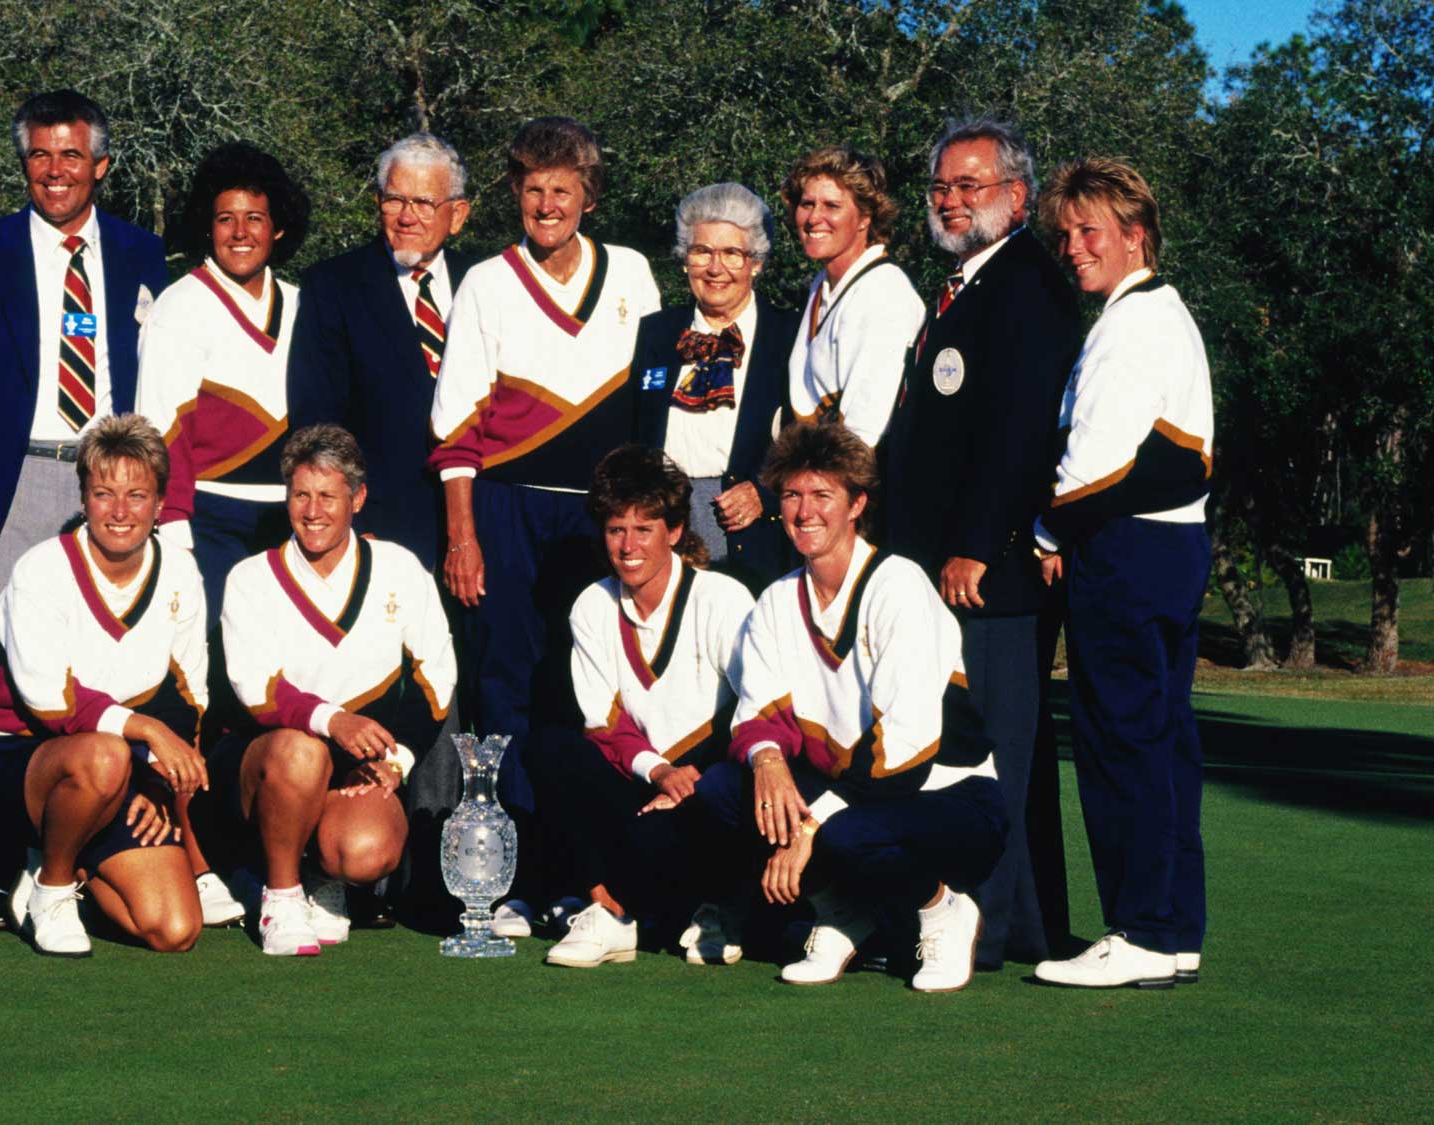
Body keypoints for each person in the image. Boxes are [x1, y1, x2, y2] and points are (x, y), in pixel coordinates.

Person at [0, 91, 170, 927]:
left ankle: (71, 843)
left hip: (107, 481)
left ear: (101, 164)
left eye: (72, 155)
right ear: (22, 162)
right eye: (40, 154)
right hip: (9, 480)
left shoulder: (143, 253)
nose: (56, 170)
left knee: (98, 666)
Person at [426, 118, 662, 935]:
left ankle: (583, 876)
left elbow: (655, 401)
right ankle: (508, 878)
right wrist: (464, 535)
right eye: (532, 189)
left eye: (563, 188)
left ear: (588, 196)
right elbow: (455, 427)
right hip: (508, 505)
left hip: (601, 512)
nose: (547, 203)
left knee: (584, 688)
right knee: (505, 686)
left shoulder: (632, 272)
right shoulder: (487, 282)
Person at [697, 419, 1006, 991]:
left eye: (822, 495)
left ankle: (942, 910)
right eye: (791, 494)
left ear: (857, 503)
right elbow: (756, 711)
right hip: (851, 794)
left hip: (949, 797)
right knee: (722, 791)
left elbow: (904, 749)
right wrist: (766, 761)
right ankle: (842, 909)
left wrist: (810, 824)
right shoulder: (776, 600)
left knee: (846, 833)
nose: (804, 511)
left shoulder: (900, 586)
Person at [876, 114, 1081, 970]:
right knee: (1001, 753)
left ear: (1018, 197)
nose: (953, 201)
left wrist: (980, 544)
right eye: (942, 187)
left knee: (989, 754)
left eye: (973, 185)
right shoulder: (961, 284)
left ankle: (981, 928)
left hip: (986, 574)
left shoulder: (1027, 284)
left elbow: (1019, 434)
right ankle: (1022, 928)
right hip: (943, 564)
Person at [1030, 159, 1214, 989]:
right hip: (1167, 549)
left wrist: (1042, 528)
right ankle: (1172, 928)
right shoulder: (1160, 313)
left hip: (1127, 551)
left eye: (1089, 230)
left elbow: (1092, 464)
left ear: (1134, 234)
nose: (1074, 247)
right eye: (1066, 233)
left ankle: (1139, 929)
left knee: (1121, 741)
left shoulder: (1133, 323)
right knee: (1165, 739)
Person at [0, 415, 210, 957]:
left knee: (174, 928)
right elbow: (50, 702)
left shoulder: (181, 574)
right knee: (103, 756)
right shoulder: (41, 569)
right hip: (16, 761)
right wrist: (144, 732)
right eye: (103, 493)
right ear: (84, 497)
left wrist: (156, 784)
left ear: (161, 504)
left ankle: (66, 861)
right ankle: (51, 886)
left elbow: (191, 697)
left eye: (137, 495)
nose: (120, 512)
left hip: (114, 765)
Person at [212, 425, 457, 955]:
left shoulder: (400, 568)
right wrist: (333, 721)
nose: (313, 510)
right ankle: (279, 894)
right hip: (269, 758)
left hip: (358, 762)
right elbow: (255, 690)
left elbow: (436, 674)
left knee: (364, 852)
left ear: (358, 498)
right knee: (300, 752)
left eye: (328, 495)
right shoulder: (251, 578)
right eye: (301, 494)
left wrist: (396, 761)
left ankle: (325, 879)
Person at [521, 446, 755, 968]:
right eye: (615, 530)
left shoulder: (724, 598)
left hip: (712, 784)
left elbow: (753, 715)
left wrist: (689, 778)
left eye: (643, 529)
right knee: (548, 749)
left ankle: (712, 905)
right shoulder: (591, 605)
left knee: (715, 800)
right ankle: (611, 909)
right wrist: (661, 771)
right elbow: (602, 725)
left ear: (674, 531)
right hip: (648, 779)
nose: (627, 547)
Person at [288, 133, 479, 571]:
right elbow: (316, 417)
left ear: (458, 215)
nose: (407, 216)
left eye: (424, 203)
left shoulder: (487, 281)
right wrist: (355, 521)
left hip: (483, 527)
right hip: (381, 527)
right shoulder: (333, 286)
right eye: (395, 200)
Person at [138, 141, 311, 615]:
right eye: (224, 219)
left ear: (276, 227)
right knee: (213, 667)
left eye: (254, 218)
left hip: (296, 518)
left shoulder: (302, 305)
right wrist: (173, 526)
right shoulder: (178, 307)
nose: (240, 232)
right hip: (210, 519)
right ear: (206, 226)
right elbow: (159, 426)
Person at [628, 183, 796, 594]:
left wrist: (764, 494)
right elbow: (635, 437)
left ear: (755, 262)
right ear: (685, 259)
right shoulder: (655, 332)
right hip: (666, 529)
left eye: (732, 254)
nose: (715, 268)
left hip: (754, 535)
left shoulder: (789, 335)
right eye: (701, 251)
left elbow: (812, 443)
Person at [782, 147, 923, 448]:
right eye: (807, 204)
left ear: (864, 218)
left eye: (832, 205)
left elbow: (865, 432)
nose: (814, 217)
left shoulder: (885, 292)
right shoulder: (824, 284)